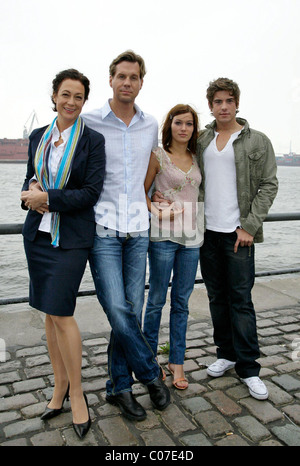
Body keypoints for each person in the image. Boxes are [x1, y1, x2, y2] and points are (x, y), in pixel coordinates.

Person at [82, 50, 170, 421]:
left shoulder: (150, 124)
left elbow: (152, 167)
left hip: (138, 228)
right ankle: (151, 373)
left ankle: (119, 387)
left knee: (130, 310)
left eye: (134, 77)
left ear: (141, 82)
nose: (127, 82)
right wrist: (37, 182)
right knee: (118, 309)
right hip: (102, 226)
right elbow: (59, 154)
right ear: (111, 80)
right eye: (121, 76)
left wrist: (155, 197)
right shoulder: (88, 121)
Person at [20, 69, 106, 438]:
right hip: (37, 238)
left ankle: (78, 397)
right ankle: (59, 387)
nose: (71, 102)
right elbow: (29, 179)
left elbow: (91, 192)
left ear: (84, 102)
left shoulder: (93, 140)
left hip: (70, 239)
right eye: (65, 95)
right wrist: (32, 192)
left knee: (62, 313)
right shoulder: (38, 136)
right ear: (54, 96)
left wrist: (49, 198)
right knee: (49, 315)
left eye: (79, 97)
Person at [196, 77, 278, 400]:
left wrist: (249, 226)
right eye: (218, 101)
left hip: (237, 235)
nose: (224, 106)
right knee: (217, 298)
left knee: (241, 301)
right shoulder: (201, 140)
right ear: (211, 106)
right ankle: (226, 353)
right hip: (207, 234)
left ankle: (249, 368)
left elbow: (269, 185)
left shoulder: (257, 141)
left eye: (229, 100)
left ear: (237, 103)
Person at [143, 104, 204, 390]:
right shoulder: (158, 156)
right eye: (178, 122)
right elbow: (141, 192)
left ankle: (176, 362)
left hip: (192, 239)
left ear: (194, 128)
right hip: (163, 238)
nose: (184, 128)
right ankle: (148, 361)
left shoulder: (197, 156)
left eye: (189, 124)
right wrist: (157, 211)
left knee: (181, 302)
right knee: (156, 301)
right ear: (170, 126)